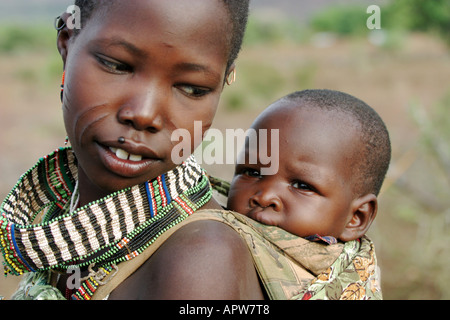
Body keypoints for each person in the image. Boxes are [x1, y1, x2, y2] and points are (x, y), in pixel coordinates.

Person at [1, 0, 266, 300]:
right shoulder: (65, 213)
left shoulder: (199, 263)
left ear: (222, 84)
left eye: (192, 88)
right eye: (116, 65)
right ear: (66, 40)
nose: (143, 114)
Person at [222, 89, 390, 299]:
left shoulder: (350, 283)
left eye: (302, 185)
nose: (265, 197)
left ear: (355, 218)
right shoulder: (214, 237)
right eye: (252, 172)